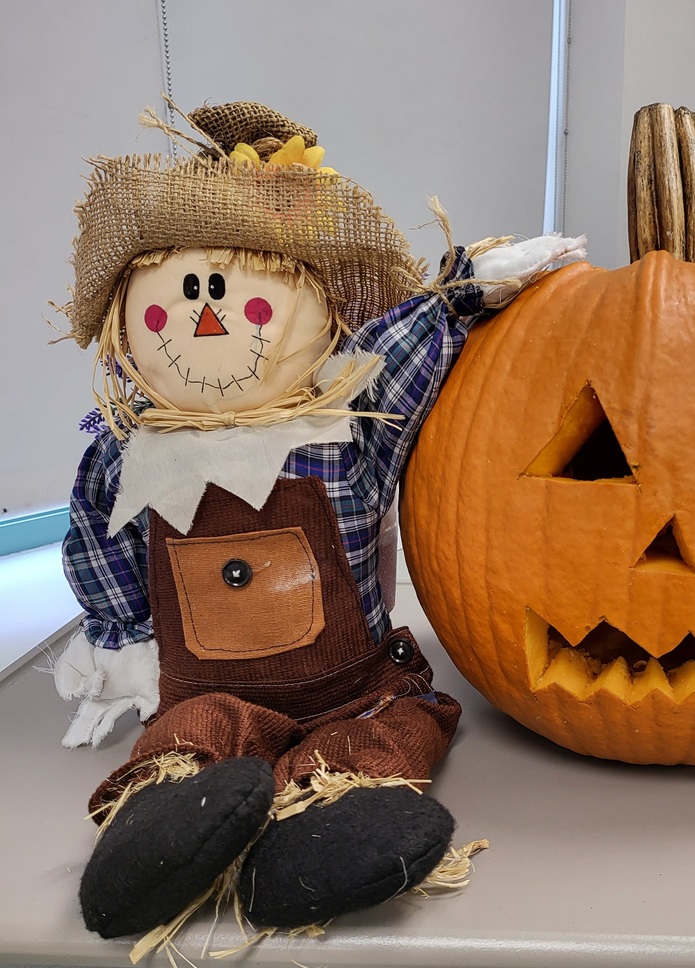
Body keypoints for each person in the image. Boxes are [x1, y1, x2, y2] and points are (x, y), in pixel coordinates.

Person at [52, 100, 585, 941]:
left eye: (231, 294)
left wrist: (462, 293)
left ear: (314, 310)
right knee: (190, 734)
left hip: (353, 691)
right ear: (126, 324)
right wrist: (123, 637)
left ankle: (326, 824)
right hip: (205, 690)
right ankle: (164, 821)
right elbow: (99, 543)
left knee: (390, 726)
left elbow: (402, 351)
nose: (208, 316)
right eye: (182, 296)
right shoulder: (128, 457)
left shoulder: (346, 423)